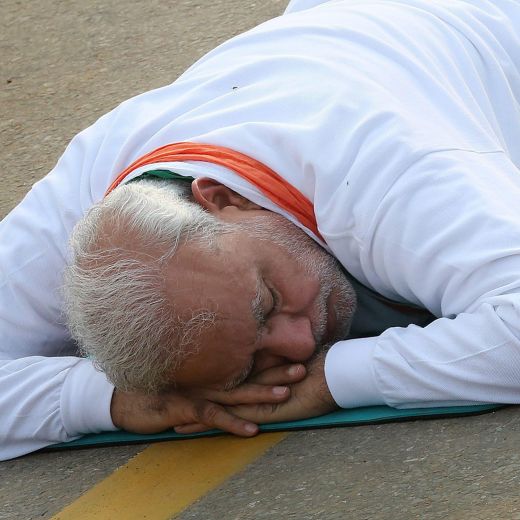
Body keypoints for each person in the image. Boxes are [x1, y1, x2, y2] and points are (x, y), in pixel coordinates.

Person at [2, 0, 520, 461]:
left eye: (268, 301)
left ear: (223, 198)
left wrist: (334, 379)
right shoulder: (77, 205)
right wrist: (114, 400)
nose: (299, 345)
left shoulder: (383, 170)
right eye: (249, 367)